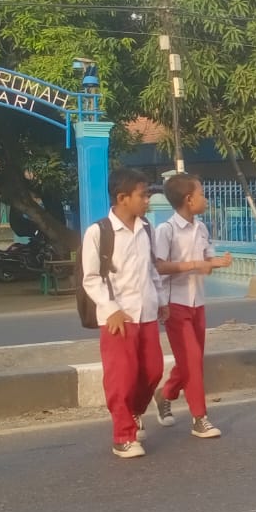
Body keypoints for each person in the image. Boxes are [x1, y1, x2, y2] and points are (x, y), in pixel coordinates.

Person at [81, 170, 168, 459]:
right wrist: (111, 310)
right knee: (122, 378)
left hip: (147, 313)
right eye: (143, 195)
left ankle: (134, 412)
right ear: (122, 198)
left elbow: (151, 269)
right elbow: (90, 278)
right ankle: (123, 436)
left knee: (153, 370)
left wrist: (161, 300)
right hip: (118, 318)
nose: (148, 200)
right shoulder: (98, 232)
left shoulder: (146, 229)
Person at [153, 174, 233, 440]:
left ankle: (166, 393)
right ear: (189, 199)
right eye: (201, 194)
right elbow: (159, 266)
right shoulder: (166, 230)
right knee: (191, 360)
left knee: (192, 358)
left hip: (197, 301)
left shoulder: (201, 228)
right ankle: (200, 418)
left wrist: (216, 263)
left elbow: (206, 263)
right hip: (174, 302)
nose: (205, 199)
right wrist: (196, 265)